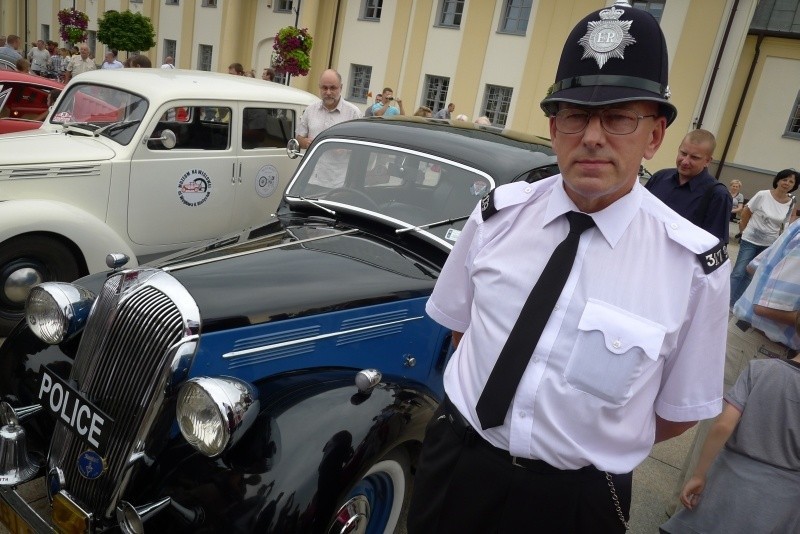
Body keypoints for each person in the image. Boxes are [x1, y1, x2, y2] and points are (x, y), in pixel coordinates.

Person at [406, 4, 729, 534]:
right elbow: (465, 331)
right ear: (555, 129)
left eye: (620, 117)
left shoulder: (692, 265)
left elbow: (678, 411)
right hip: (458, 464)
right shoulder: (498, 216)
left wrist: (588, 437)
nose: (593, 137)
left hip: (575, 499)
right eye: (575, 116)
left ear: (654, 136)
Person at [664, 201, 800, 521]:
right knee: (721, 438)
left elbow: (755, 267)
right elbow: (769, 306)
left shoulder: (795, 228)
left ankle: (688, 514)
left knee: (726, 440)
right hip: (760, 345)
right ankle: (683, 518)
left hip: (760, 343)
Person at [644, 129, 732, 243]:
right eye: (683, 153)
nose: (685, 161)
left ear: (707, 161)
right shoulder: (659, 178)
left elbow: (714, 247)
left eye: (694, 157)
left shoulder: (718, 196)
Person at [729, 168, 797, 307]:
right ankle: (724, 300)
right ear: (778, 180)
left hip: (769, 244)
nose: (787, 183)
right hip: (750, 240)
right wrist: (744, 230)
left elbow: (784, 224)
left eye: (791, 181)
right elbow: (746, 212)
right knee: (739, 272)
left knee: (750, 274)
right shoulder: (763, 195)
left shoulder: (791, 202)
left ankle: (735, 303)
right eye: (785, 179)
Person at [295, 68, 361, 150]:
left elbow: (360, 146)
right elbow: (299, 138)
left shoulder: (353, 113)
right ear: (319, 87)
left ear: (341, 87)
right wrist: (306, 143)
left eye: (333, 88)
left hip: (340, 163)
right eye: (324, 88)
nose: (328, 92)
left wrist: (344, 148)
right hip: (313, 163)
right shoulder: (310, 110)